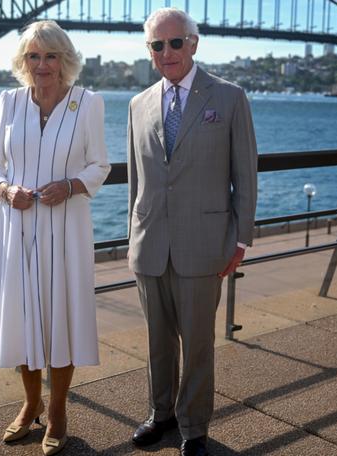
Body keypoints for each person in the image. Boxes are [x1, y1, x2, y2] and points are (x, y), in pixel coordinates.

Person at [0, 20, 110, 456]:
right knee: (21, 315)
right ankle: (29, 402)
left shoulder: (87, 103)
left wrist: (70, 185)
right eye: (34, 56)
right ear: (23, 61)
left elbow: (100, 165)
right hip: (17, 226)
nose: (42, 64)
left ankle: (57, 411)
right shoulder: (9, 101)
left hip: (66, 227)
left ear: (65, 60)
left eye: (51, 56)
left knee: (61, 318)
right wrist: (4, 189)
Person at [126, 8, 257, 456]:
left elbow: (246, 174)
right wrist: (132, 238)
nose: (167, 52)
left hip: (204, 246)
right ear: (150, 51)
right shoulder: (138, 104)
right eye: (157, 45)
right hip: (150, 245)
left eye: (175, 42)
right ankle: (160, 414)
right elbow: (135, 181)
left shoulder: (228, 97)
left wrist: (240, 240)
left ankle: (194, 427)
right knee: (156, 342)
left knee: (198, 344)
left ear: (194, 43)